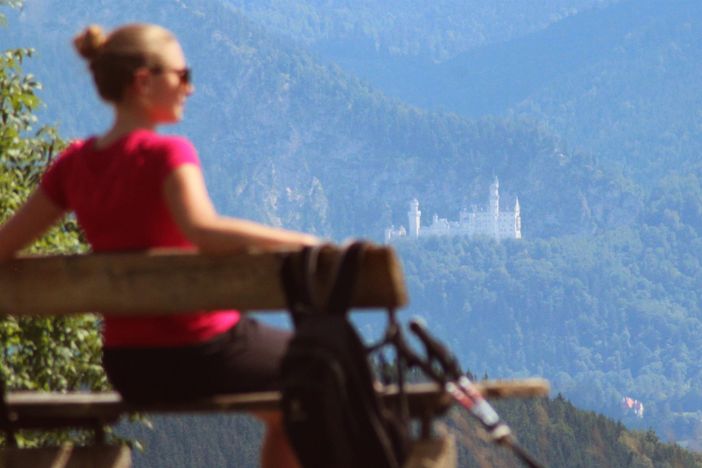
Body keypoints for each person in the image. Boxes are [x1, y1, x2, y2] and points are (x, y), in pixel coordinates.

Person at [0, 23, 316, 468]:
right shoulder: (167, 155)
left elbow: (4, 246)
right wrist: (302, 242)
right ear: (144, 82)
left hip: (129, 366)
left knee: (287, 407)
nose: (190, 85)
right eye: (181, 74)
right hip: (201, 349)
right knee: (323, 365)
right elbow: (204, 231)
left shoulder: (73, 166)